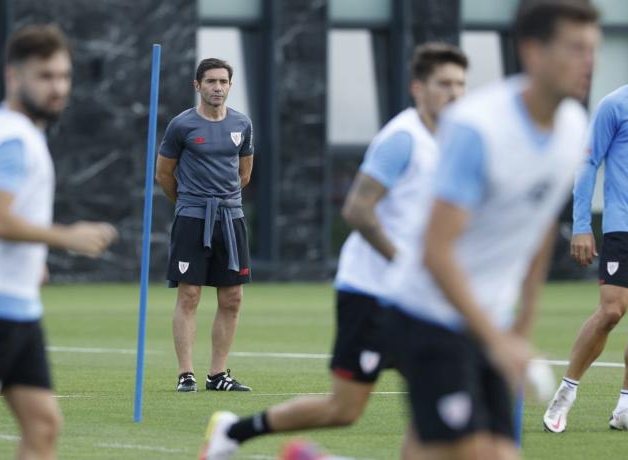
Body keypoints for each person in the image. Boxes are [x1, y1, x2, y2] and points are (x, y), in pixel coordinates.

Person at [199, 43, 468, 459]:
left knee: (438, 406)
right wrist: (407, 263)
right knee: (344, 409)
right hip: (371, 293)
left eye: (460, 85)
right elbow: (358, 210)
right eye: (444, 84)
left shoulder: (456, 142)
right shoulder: (403, 139)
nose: (454, 93)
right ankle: (234, 432)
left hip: (419, 299)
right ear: (418, 88)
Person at [380, 1, 599, 458]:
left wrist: (520, 328)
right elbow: (436, 251)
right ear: (534, 52)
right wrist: (497, 340)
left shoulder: (573, 128)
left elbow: (538, 234)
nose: (589, 62)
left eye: (593, 49)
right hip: (428, 314)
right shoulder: (479, 128)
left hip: (490, 319)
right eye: (576, 49)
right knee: (480, 453)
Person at [0, 24, 117, 459]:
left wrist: (23, 256)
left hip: (13, 304)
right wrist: (65, 237)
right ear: (13, 77)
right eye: (45, 76)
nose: (58, 88)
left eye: (63, 76)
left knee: (43, 425)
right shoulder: (12, 140)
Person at [155, 58, 254, 393]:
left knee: (233, 298)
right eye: (211, 81)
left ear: (230, 85)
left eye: (223, 82)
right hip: (192, 218)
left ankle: (218, 375)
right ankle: (186, 374)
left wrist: (225, 202)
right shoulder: (181, 125)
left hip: (231, 219)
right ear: (197, 86)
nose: (217, 87)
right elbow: (164, 175)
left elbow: (244, 174)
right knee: (190, 294)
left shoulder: (242, 123)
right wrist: (187, 204)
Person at [543, 90, 628, 430]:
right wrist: (581, 226)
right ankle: (566, 392)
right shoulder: (616, 105)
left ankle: (625, 406)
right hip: (623, 227)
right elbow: (587, 162)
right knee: (612, 311)